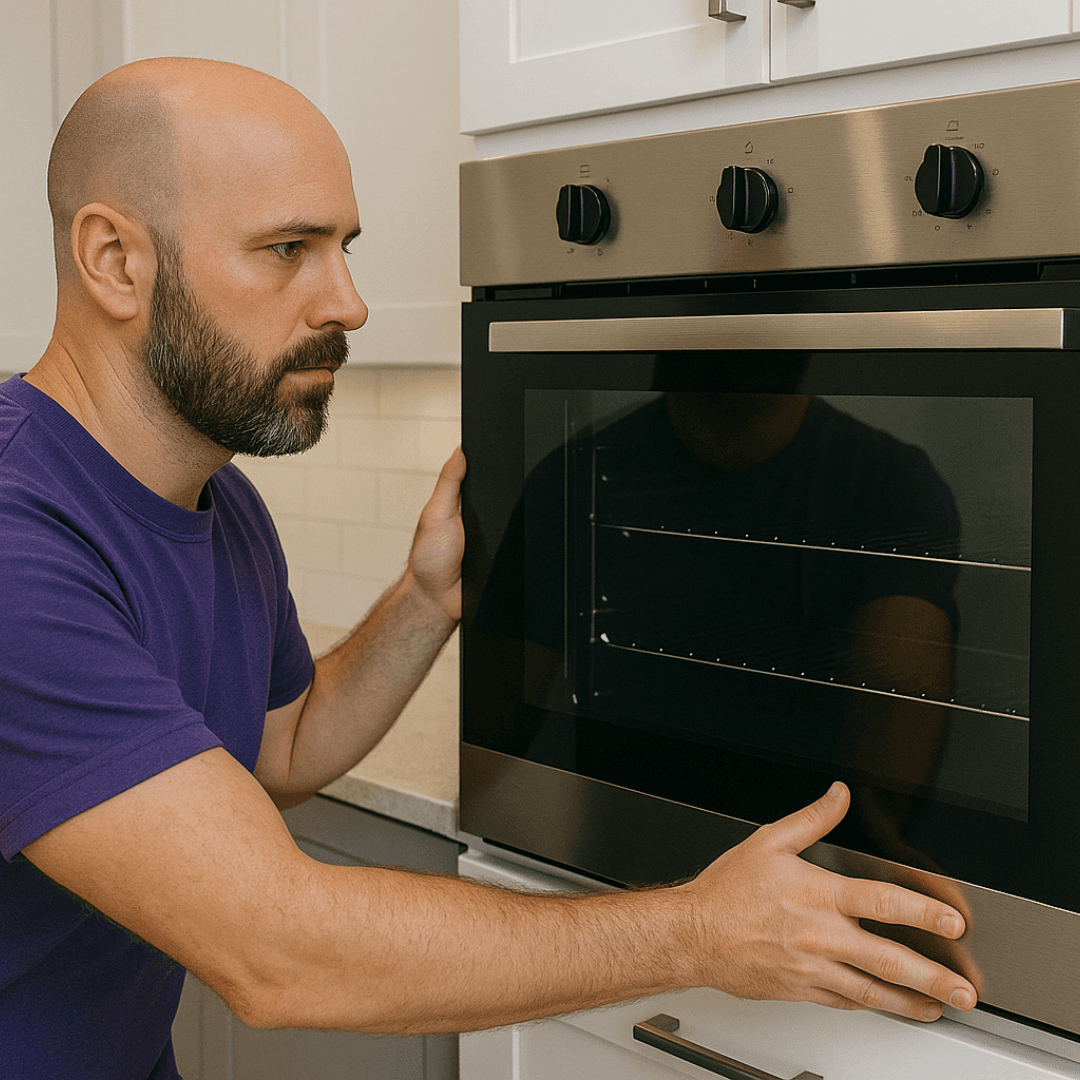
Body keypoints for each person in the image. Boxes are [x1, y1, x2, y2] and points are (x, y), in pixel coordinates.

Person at [0, 57, 976, 1080]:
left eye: (343, 249)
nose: (350, 303)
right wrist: (697, 932)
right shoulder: (21, 543)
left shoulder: (217, 501)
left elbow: (276, 746)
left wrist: (425, 602)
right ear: (115, 260)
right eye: (287, 249)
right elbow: (279, 951)